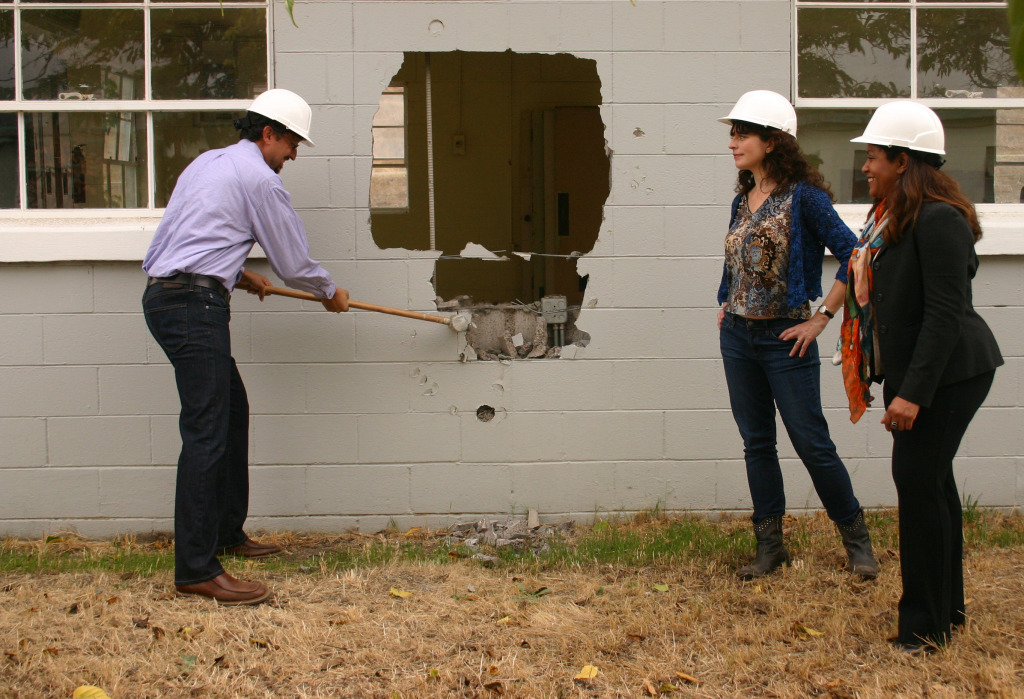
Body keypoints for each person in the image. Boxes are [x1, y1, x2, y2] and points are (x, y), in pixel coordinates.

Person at [142, 88, 350, 605]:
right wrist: (329, 292)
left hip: (171, 298)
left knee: (231, 413)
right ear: (268, 134)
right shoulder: (260, 179)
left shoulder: (208, 164)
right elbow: (293, 261)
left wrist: (237, 274)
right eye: (292, 144)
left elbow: (180, 244)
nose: (294, 155)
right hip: (194, 306)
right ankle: (195, 568)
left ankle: (226, 534)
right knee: (207, 433)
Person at [844, 101, 1002, 651]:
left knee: (917, 486)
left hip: (949, 374)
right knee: (931, 485)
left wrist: (911, 395)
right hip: (925, 372)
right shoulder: (894, 218)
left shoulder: (938, 219)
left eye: (873, 157)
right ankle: (946, 612)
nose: (865, 167)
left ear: (903, 159)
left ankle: (922, 629)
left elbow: (944, 315)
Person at [716, 90, 878, 580]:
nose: (733, 142)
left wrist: (822, 318)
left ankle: (857, 542)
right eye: (732, 133)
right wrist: (726, 301)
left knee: (811, 441)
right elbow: (734, 261)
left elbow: (856, 255)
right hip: (739, 338)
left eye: (742, 133)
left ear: (772, 140)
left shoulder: (805, 197)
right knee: (757, 443)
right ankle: (770, 548)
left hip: (787, 338)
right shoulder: (742, 199)